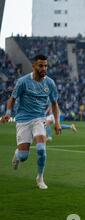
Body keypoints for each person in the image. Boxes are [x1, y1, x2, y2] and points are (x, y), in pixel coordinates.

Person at [0, 54, 61, 189]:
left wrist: (57, 122)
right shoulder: (23, 81)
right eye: (41, 65)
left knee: (41, 149)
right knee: (23, 156)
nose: (44, 68)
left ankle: (40, 178)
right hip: (23, 120)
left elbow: (54, 103)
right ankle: (17, 155)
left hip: (39, 119)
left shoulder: (50, 83)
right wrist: (8, 113)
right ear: (34, 66)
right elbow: (12, 98)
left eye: (45, 65)